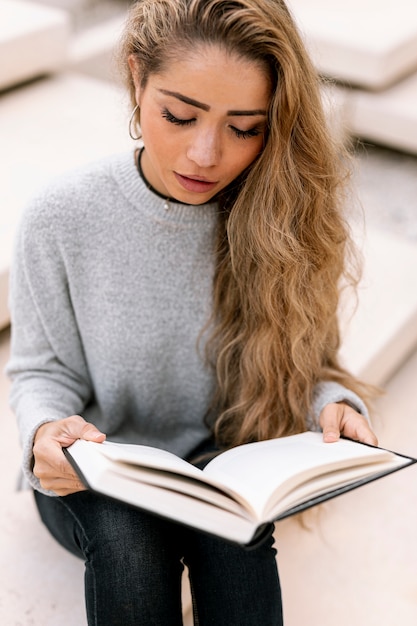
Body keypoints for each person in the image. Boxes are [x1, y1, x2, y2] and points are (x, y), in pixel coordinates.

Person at [6, 0, 378, 624]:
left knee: (234, 532)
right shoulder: (62, 217)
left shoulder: (284, 220)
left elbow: (305, 362)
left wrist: (332, 405)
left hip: (220, 459)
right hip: (96, 468)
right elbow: (41, 372)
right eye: (180, 115)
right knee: (131, 544)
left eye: (244, 128)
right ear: (135, 79)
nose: (205, 154)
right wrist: (46, 432)